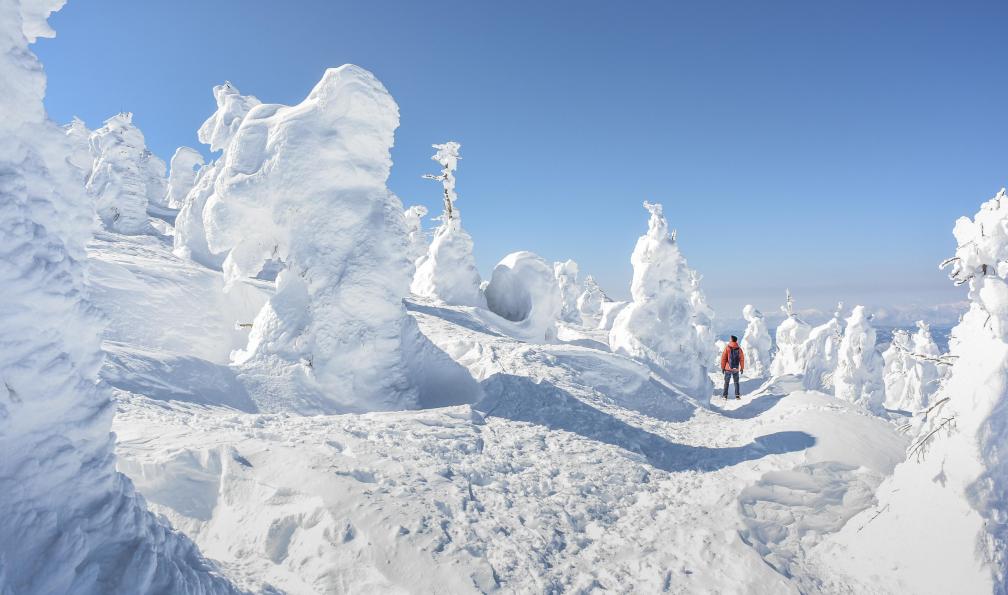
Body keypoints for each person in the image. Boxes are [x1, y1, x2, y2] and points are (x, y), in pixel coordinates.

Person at [720, 335, 745, 399]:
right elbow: (742, 359)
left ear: (731, 340)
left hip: (728, 369)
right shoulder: (739, 349)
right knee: (736, 382)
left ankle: (725, 396)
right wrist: (742, 368)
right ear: (736, 341)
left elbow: (723, 358)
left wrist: (723, 367)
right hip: (736, 369)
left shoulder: (727, 348)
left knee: (726, 382)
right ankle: (737, 396)